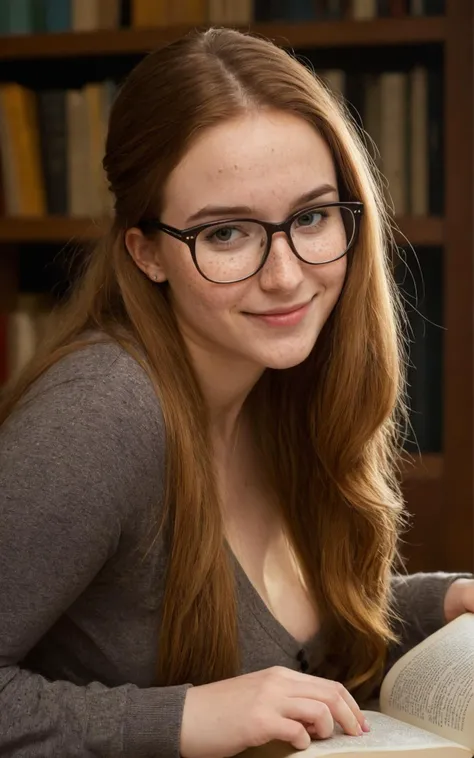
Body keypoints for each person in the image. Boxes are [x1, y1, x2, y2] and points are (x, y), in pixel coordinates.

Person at [0, 27, 473, 758]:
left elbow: (291, 643)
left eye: (312, 218)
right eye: (226, 234)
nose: (286, 275)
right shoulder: (103, 410)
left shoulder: (282, 383)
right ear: (146, 251)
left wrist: (437, 603)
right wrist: (183, 719)